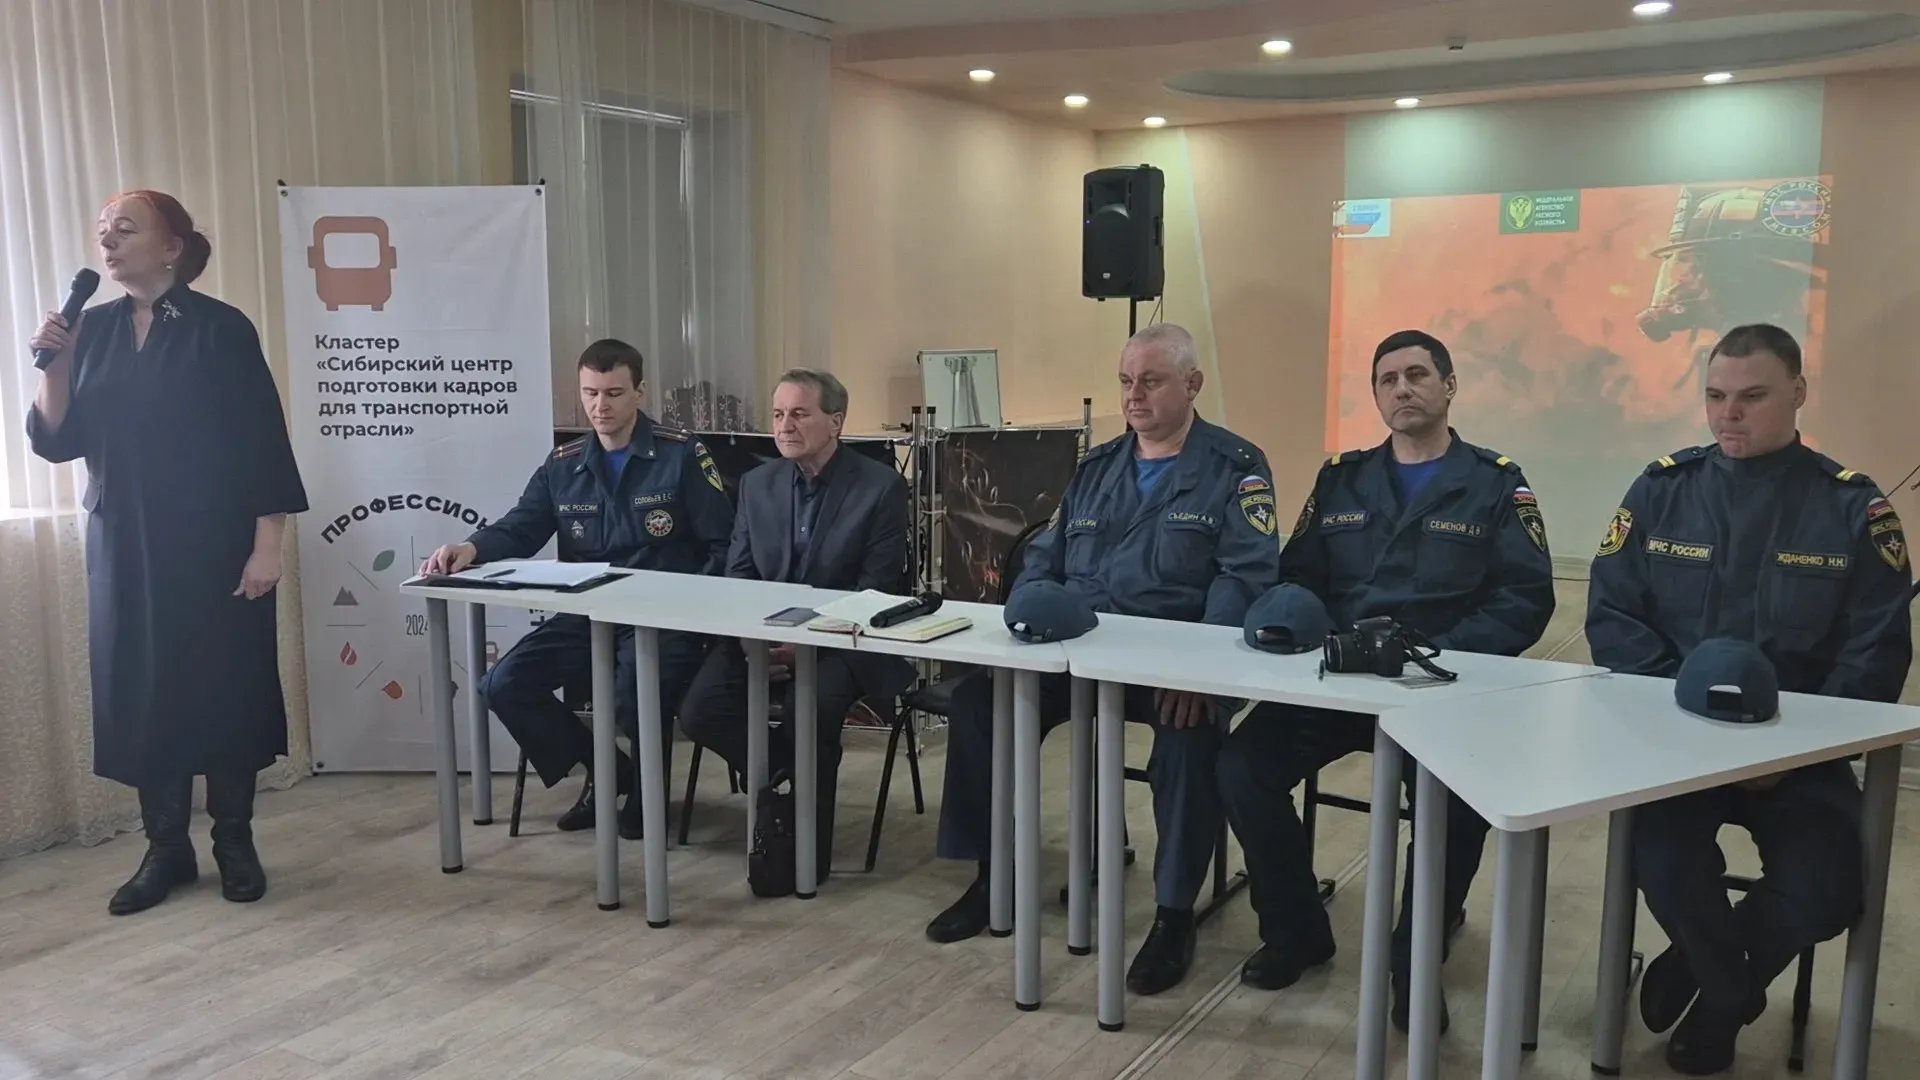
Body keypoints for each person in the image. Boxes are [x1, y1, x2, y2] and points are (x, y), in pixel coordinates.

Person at [1586, 323, 1911, 1076]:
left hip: (1798, 755)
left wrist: (1786, 752)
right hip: (1680, 747)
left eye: (1752, 396)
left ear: (1798, 393)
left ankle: (1699, 976)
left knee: (1829, 889)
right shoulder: (1662, 490)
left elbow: (1874, 653)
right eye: (1715, 396)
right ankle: (1731, 993)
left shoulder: (1851, 508)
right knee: (1659, 858)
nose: (1728, 414)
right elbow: (1614, 617)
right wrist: (1688, 732)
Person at [925, 323, 1278, 997]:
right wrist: (1030, 611)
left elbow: (1245, 578)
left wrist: (1200, 675)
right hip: (1078, 655)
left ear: (1192, 385)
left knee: (1189, 739)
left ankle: (1174, 914)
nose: (1134, 395)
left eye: (1151, 380)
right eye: (1125, 381)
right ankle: (994, 876)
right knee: (980, 703)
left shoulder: (1235, 468)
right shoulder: (1099, 468)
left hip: (1171, 664)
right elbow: (1043, 559)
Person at [1215, 329, 1555, 1028]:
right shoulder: (1342, 478)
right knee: (1242, 766)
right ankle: (1296, 930)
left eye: (1417, 375)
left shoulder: (1495, 482)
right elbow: (1299, 573)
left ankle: (1413, 957)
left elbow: (1525, 598)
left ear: (1449, 386)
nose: (1402, 389)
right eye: (1387, 379)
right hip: (1343, 680)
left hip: (1440, 687)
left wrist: (1438, 654)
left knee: (1454, 806)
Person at [25, 190, 309, 915]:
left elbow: (262, 439)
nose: (108, 242)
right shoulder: (91, 328)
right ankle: (166, 849)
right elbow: (57, 441)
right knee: (144, 692)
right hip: (123, 543)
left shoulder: (220, 327)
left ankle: (235, 841)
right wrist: (55, 364)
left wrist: (267, 545)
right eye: (102, 232)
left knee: (225, 687)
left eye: (125, 230)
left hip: (215, 542)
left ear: (172, 247)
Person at [421, 339, 733, 836]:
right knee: (505, 684)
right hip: (588, 612)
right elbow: (522, 526)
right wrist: (472, 548)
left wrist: (695, 611)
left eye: (613, 393)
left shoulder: (681, 455)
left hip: (662, 615)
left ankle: (647, 793)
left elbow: (723, 544)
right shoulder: (564, 464)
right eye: (590, 393)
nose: (600, 406)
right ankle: (607, 770)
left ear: (640, 392)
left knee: (634, 691)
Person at [677, 368, 913, 882]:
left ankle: (805, 856)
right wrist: (753, 641)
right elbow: (739, 576)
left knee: (812, 711)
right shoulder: (756, 485)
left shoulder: (881, 488)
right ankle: (787, 780)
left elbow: (874, 590)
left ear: (836, 422)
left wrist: (805, 646)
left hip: (844, 642)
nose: (784, 426)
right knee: (700, 710)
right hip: (762, 637)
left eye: (800, 414)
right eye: (779, 414)